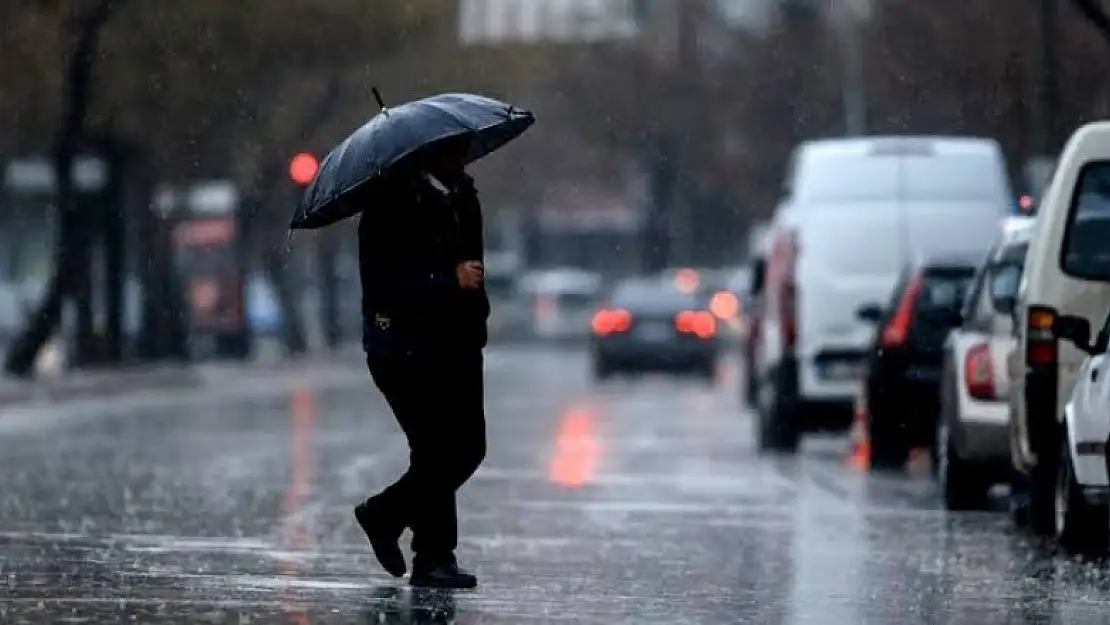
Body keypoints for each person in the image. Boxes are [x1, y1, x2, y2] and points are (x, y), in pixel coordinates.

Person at [353, 138, 489, 590]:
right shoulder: (389, 204)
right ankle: (431, 555)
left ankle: (391, 519)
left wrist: (475, 316)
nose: (463, 159)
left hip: (459, 342)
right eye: (453, 152)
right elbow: (385, 283)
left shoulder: (462, 196)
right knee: (438, 451)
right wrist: (446, 280)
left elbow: (475, 267)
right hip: (406, 347)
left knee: (466, 449)